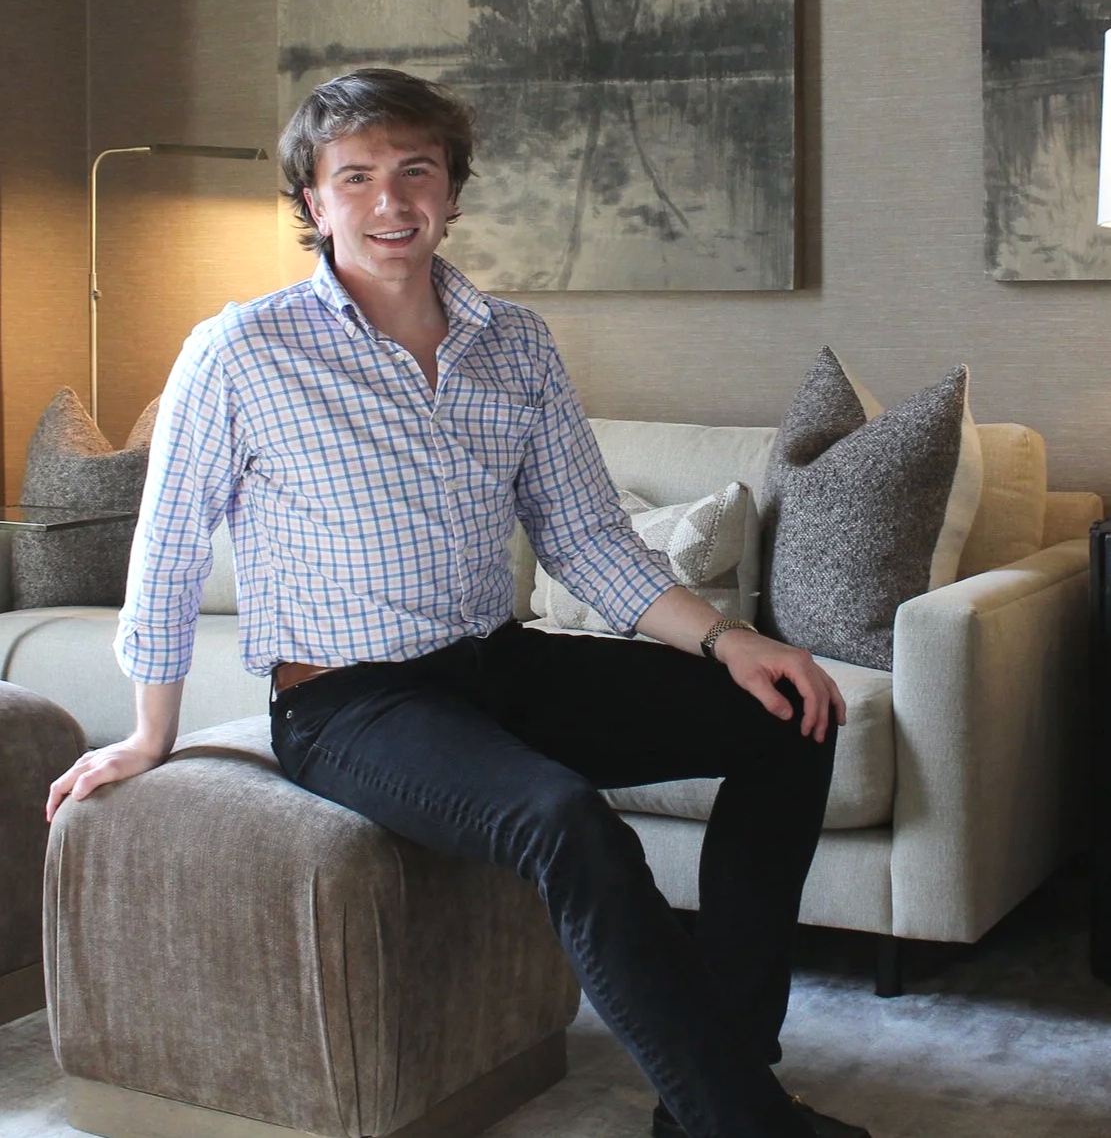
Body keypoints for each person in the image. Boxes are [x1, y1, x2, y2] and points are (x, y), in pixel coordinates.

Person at [47, 68, 871, 1138]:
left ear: (452, 189)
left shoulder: (514, 341)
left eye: (415, 171)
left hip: (498, 664)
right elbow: (163, 550)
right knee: (568, 823)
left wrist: (731, 640)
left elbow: (585, 537)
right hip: (349, 704)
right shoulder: (242, 351)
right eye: (357, 177)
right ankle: (740, 1121)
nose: (391, 202)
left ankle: (712, 1074)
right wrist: (148, 731)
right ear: (310, 200)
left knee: (788, 718)